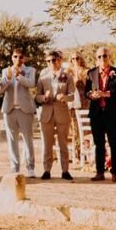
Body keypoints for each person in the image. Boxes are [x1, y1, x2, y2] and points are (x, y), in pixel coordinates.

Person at [84, 47, 116, 181]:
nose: (102, 59)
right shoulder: (91, 73)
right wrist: (91, 94)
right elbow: (86, 91)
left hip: (113, 113)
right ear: (96, 58)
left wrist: (106, 94)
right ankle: (100, 172)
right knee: (98, 144)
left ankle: (115, 173)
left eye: (104, 56)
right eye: (99, 57)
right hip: (96, 113)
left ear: (109, 57)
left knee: (114, 143)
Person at [35, 50, 74, 180]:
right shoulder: (43, 78)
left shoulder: (67, 77)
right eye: (48, 61)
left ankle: (65, 170)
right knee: (47, 144)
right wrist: (43, 98)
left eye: (53, 60)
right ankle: (47, 170)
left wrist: (64, 97)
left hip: (62, 113)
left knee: (63, 143)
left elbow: (72, 96)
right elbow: (37, 97)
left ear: (59, 60)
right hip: (47, 113)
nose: (51, 63)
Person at [0, 49, 38, 177]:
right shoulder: (6, 71)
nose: (17, 59)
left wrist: (18, 76)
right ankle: (14, 167)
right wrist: (8, 77)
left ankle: (30, 167)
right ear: (12, 57)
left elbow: (31, 84)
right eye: (15, 56)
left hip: (25, 109)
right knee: (12, 140)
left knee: (28, 139)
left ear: (24, 58)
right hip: (9, 109)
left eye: (20, 57)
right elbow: (0, 89)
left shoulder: (30, 70)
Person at [67, 52, 91, 165]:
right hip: (74, 102)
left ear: (81, 59)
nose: (75, 60)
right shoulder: (68, 71)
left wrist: (78, 75)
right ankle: (76, 154)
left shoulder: (86, 71)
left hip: (85, 101)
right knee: (75, 128)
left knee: (86, 128)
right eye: (73, 58)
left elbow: (88, 85)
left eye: (77, 58)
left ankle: (87, 153)